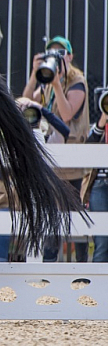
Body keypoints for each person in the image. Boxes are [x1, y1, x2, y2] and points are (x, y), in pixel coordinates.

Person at [21, 36, 90, 262]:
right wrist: (35, 74)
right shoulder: (47, 80)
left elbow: (67, 113)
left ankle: (82, 271)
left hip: (72, 163)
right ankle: (48, 266)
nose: (56, 57)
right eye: (52, 53)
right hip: (52, 161)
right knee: (51, 214)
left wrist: (57, 84)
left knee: (74, 218)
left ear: (69, 57)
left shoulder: (77, 81)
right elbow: (26, 100)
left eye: (61, 53)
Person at [0, 97, 70, 262]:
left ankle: (47, 272)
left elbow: (64, 131)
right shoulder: (6, 140)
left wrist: (41, 110)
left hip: (41, 204)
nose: (27, 118)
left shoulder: (45, 141)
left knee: (51, 223)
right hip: (7, 203)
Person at [82, 106, 108, 262]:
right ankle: (98, 284)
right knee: (102, 241)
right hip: (100, 184)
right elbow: (88, 148)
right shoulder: (100, 126)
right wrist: (101, 122)